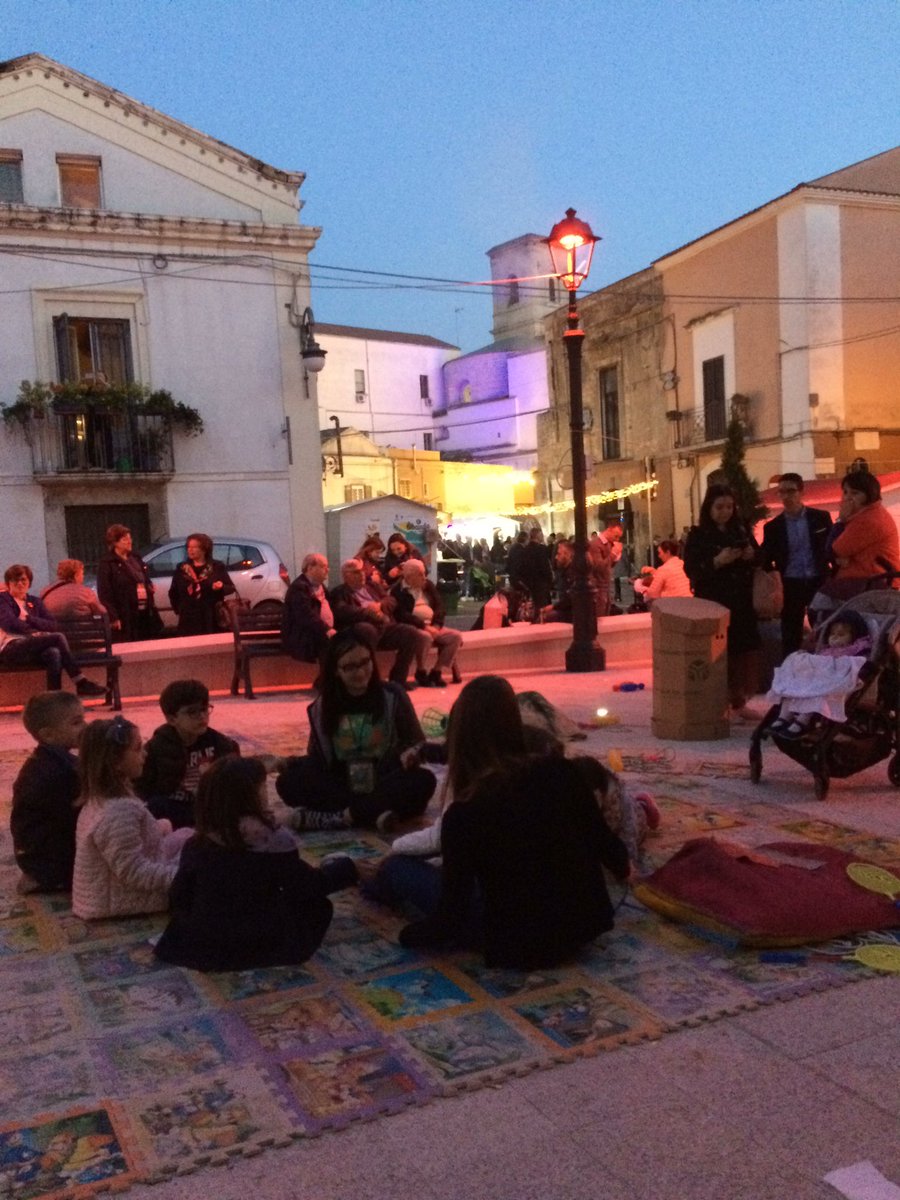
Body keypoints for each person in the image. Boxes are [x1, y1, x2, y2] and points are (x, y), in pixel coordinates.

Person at [371, 675, 629, 969]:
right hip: (584, 924)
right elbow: (604, 842)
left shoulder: (467, 814)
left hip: (519, 943)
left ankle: (364, 879)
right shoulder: (562, 771)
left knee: (398, 867)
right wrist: (624, 869)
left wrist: (406, 936)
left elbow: (449, 919)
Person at [153, 756, 358, 972]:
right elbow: (307, 886)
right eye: (262, 787)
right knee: (317, 907)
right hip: (257, 940)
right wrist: (347, 869)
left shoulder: (198, 842)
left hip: (203, 944)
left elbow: (179, 894)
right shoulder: (271, 840)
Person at [275, 629, 436, 831]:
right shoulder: (324, 705)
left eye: (365, 662)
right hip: (341, 782)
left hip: (382, 779)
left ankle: (337, 817)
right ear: (336, 670)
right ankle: (370, 815)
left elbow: (417, 742)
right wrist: (289, 763)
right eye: (350, 667)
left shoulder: (392, 696)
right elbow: (318, 758)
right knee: (288, 782)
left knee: (423, 781)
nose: (360, 673)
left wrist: (411, 753)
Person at [72, 716, 190, 919]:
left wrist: (157, 826)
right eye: (137, 749)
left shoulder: (102, 799)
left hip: (111, 893)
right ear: (114, 762)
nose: (145, 754)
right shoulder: (118, 811)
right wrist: (185, 877)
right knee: (207, 861)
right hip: (120, 901)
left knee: (188, 835)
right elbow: (133, 872)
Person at [683, 483, 760, 718]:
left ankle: (738, 701)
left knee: (740, 653)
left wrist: (750, 555)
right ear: (709, 508)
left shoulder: (741, 530)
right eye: (719, 507)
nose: (725, 512)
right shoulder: (698, 535)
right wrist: (718, 561)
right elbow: (692, 569)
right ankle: (716, 701)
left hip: (740, 602)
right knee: (715, 652)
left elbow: (760, 558)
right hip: (714, 601)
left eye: (729, 506)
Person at [135, 679, 240, 829]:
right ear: (172, 719)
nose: (202, 716)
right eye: (192, 712)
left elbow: (234, 775)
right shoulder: (156, 747)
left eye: (204, 709)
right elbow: (142, 786)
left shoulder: (219, 742)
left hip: (207, 804)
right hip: (174, 806)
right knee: (156, 806)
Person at [11, 691, 85, 893]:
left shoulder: (50, 761)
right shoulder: (58, 772)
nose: (85, 727)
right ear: (48, 735)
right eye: (76, 722)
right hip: (46, 860)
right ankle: (44, 879)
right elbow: (80, 816)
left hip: (34, 854)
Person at [0, 564, 105, 696]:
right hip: (11, 647)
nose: (20, 584)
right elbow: (9, 623)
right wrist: (34, 632)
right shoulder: (3, 600)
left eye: (23, 580)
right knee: (57, 637)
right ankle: (81, 682)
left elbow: (52, 625)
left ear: (29, 583)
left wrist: (28, 618)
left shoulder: (35, 602)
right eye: (15, 581)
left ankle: (54, 698)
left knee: (54, 653)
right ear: (9, 583)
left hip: (34, 647)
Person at [759, 473, 833, 656]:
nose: (786, 497)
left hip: (819, 580)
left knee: (824, 629)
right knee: (790, 634)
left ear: (801, 492)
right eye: (781, 492)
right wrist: (775, 580)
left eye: (790, 491)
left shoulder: (820, 518)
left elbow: (832, 547)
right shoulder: (773, 528)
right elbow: (765, 559)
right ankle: (791, 672)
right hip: (791, 584)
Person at [328, 557, 430, 690]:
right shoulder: (339, 592)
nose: (362, 574)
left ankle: (398, 679)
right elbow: (342, 611)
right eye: (357, 572)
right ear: (346, 576)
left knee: (410, 632)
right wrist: (367, 612)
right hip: (363, 629)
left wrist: (379, 605)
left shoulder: (372, 586)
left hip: (384, 626)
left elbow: (391, 600)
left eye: (363, 571)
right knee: (366, 630)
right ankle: (371, 680)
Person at [767, 612, 873, 738]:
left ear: (854, 636)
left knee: (818, 692)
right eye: (832, 634)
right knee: (797, 677)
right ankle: (784, 715)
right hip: (817, 678)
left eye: (841, 634)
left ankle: (804, 720)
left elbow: (855, 664)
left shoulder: (857, 648)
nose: (835, 637)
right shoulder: (827, 650)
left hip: (833, 681)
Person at [389, 558, 463, 687]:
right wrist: (424, 626)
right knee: (425, 637)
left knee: (455, 637)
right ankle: (421, 670)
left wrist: (436, 624)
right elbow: (402, 615)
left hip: (433, 625)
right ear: (409, 577)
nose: (424, 578)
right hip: (415, 627)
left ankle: (437, 671)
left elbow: (440, 605)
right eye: (420, 574)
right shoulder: (398, 591)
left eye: (424, 573)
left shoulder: (428, 586)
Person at [829, 470, 900, 593]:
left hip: (873, 584)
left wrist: (841, 520)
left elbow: (835, 549)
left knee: (822, 603)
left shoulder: (869, 519)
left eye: (855, 493)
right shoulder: (865, 515)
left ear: (869, 495)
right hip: (867, 581)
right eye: (845, 492)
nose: (848, 498)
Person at [96, 524, 161, 642]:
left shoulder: (135, 558)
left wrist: (149, 585)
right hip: (125, 612)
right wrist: (113, 616)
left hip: (143, 610)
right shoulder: (108, 563)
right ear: (115, 542)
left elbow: (143, 577)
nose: (129, 541)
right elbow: (105, 593)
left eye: (130, 538)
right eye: (124, 539)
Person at [168, 533, 236, 636]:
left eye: (194, 547)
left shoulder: (216, 567)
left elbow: (230, 588)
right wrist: (179, 610)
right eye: (188, 547)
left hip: (210, 616)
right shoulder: (182, 568)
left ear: (204, 549)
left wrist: (220, 587)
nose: (190, 550)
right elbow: (173, 592)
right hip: (188, 617)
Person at [282, 553, 335, 663]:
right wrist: (327, 630)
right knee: (337, 645)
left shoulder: (319, 585)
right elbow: (305, 615)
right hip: (304, 637)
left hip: (318, 632)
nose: (327, 570)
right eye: (323, 566)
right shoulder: (299, 588)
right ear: (310, 568)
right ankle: (328, 678)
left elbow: (333, 605)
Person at [40, 559, 106, 620]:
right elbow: (102, 612)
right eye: (82, 574)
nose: (83, 577)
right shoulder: (86, 592)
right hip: (84, 631)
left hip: (54, 631)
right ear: (76, 575)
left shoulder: (46, 591)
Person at [516, 528, 554, 619]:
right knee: (542, 605)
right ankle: (541, 621)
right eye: (541, 534)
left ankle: (534, 620)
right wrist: (550, 579)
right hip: (541, 582)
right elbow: (545, 566)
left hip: (530, 582)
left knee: (534, 604)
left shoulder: (525, 550)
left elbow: (522, 567)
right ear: (538, 535)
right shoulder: (541, 549)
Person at [587, 522, 623, 617]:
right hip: (598, 586)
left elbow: (608, 565)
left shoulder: (608, 544)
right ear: (609, 530)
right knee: (600, 616)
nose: (617, 539)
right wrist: (613, 554)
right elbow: (598, 566)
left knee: (606, 614)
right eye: (616, 536)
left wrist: (615, 558)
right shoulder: (595, 544)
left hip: (605, 585)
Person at [541, 539, 576, 622]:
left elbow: (570, 599)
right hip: (567, 610)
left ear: (568, 555)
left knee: (546, 617)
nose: (556, 557)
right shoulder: (564, 571)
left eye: (559, 554)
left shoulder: (572, 573)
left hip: (572, 613)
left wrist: (553, 607)